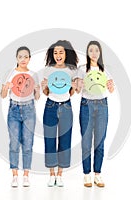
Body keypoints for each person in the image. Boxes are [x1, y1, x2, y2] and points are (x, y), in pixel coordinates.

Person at [76, 41, 114, 187]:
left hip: (102, 105)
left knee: (100, 141)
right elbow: (78, 91)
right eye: (91, 50)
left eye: (96, 50)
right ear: (87, 52)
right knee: (86, 141)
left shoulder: (105, 70)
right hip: (86, 105)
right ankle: (87, 174)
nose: (93, 53)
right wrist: (80, 85)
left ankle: (97, 174)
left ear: (100, 53)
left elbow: (110, 89)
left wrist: (111, 87)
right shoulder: (82, 69)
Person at [1, 46, 40, 187]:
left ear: (29, 58)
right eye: (20, 57)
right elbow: (3, 95)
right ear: (16, 58)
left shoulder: (33, 74)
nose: (23, 59)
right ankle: (15, 175)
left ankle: (26, 175)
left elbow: (37, 97)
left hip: (29, 109)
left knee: (28, 143)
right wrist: (5, 88)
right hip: (14, 109)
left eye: (26, 57)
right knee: (14, 143)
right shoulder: (10, 73)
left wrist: (37, 90)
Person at [41, 40, 78, 187]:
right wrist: (44, 88)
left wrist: (74, 87)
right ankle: (51, 174)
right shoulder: (48, 69)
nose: (58, 55)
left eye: (60, 52)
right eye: (55, 53)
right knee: (49, 139)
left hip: (66, 107)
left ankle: (60, 174)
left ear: (66, 53)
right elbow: (46, 92)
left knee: (65, 139)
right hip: (50, 106)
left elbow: (71, 92)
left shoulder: (72, 69)